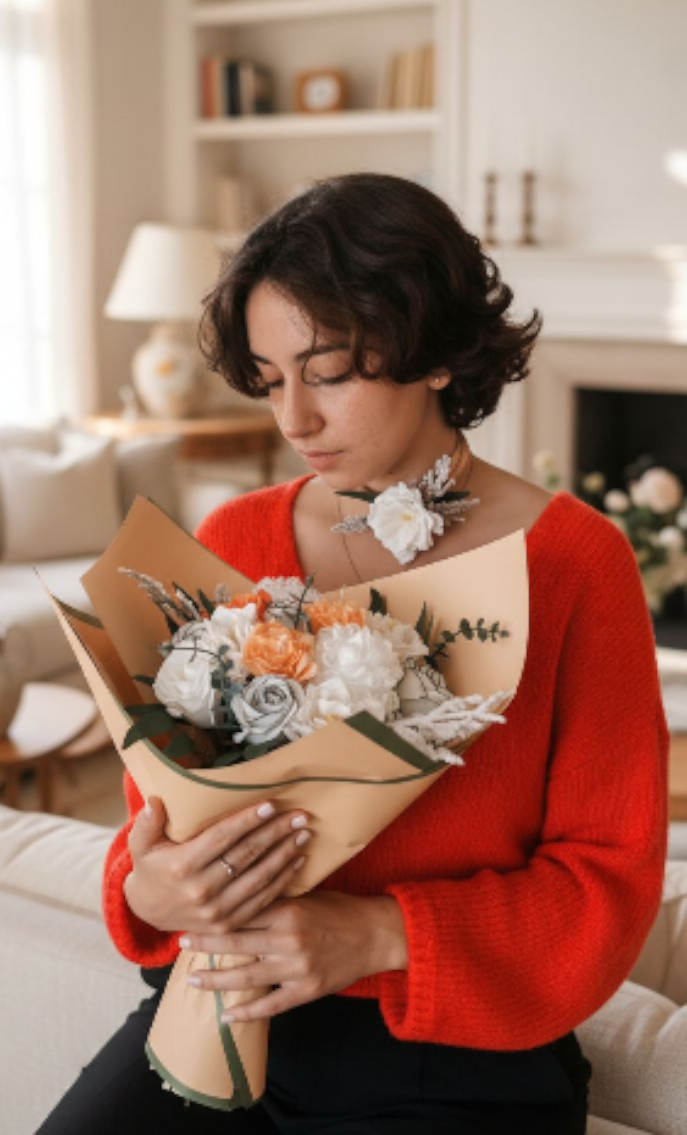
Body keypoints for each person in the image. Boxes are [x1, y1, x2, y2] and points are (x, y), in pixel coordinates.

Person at [38, 173, 668, 1135]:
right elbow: (159, 812)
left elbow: (606, 882)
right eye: (268, 374)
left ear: (436, 353)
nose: (291, 418)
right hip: (222, 1011)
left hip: (455, 1051)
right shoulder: (235, 535)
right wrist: (146, 883)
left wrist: (373, 933)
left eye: (326, 370)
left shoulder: (578, 561)